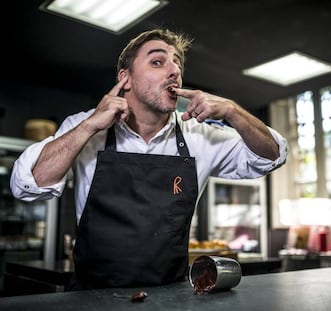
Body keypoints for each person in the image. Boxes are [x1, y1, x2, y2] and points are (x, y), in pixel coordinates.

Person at [10, 28, 288, 290]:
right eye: (158, 62)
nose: (175, 71)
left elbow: (273, 155)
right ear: (125, 78)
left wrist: (232, 111)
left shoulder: (199, 136)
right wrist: (90, 126)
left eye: (177, 63)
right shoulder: (85, 125)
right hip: (91, 296)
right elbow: (28, 185)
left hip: (172, 296)